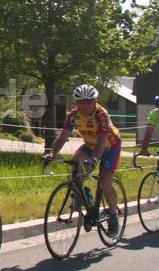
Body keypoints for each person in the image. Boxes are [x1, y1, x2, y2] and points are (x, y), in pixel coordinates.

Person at [44, 84, 122, 237]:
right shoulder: (73, 115)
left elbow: (102, 140)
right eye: (81, 102)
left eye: (89, 102)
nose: (85, 105)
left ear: (95, 101)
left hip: (109, 147)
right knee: (75, 164)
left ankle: (113, 216)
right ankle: (84, 196)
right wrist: (51, 153)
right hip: (90, 145)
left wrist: (94, 159)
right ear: (76, 102)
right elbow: (63, 136)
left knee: (105, 182)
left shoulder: (101, 115)